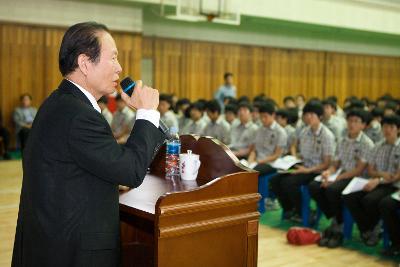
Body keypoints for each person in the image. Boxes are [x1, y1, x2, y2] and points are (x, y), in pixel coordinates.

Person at [12, 22, 166, 267]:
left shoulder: (60, 103)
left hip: (52, 244)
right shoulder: (79, 115)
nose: (120, 68)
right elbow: (130, 170)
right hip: (74, 253)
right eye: (113, 58)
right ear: (85, 63)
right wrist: (147, 113)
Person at [308, 109, 374, 248]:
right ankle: (335, 217)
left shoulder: (367, 143)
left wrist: (336, 178)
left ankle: (338, 224)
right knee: (315, 185)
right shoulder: (343, 140)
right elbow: (336, 163)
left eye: (356, 121)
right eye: (350, 120)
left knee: (332, 189)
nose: (352, 124)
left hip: (357, 179)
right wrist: (328, 172)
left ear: (363, 125)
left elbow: (359, 170)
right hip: (341, 174)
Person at [270, 100, 336, 222]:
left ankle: (305, 212)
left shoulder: (327, 135)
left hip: (317, 170)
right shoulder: (305, 132)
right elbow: (300, 152)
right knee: (275, 179)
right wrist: (294, 161)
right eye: (306, 114)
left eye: (312, 115)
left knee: (289, 183)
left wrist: (306, 170)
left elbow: (327, 163)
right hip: (304, 166)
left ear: (320, 116)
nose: (308, 117)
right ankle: (290, 209)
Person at [342, 115, 400, 247]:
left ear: (398, 129)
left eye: (391, 127)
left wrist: (379, 179)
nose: (387, 130)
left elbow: (396, 176)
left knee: (371, 200)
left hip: (393, 186)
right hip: (377, 181)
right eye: (385, 126)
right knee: (350, 196)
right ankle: (368, 229)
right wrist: (381, 176)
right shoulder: (378, 145)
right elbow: (370, 170)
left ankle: (375, 229)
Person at [248, 102, 287, 176]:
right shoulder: (259, 130)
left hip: (271, 162)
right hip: (257, 160)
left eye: (265, 117)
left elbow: (277, 155)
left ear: (273, 115)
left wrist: (259, 161)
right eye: (261, 117)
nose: (263, 120)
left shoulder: (280, 132)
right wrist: (250, 161)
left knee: (252, 173)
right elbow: (254, 150)